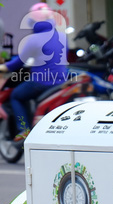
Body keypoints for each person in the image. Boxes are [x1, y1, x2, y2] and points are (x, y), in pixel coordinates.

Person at [0, 3, 67, 142]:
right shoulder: (62, 36)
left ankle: (23, 129)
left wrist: (3, 67)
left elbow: (17, 63)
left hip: (41, 82)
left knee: (16, 96)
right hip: (61, 81)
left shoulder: (33, 39)